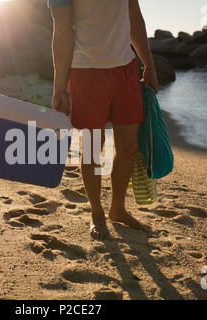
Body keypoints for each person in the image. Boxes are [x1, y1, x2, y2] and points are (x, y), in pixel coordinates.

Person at [49, 0, 159, 238]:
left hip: (125, 68)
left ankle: (118, 208)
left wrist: (148, 64)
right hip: (85, 70)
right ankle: (96, 213)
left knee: (128, 146)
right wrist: (60, 87)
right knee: (91, 148)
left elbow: (134, 16)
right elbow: (62, 30)